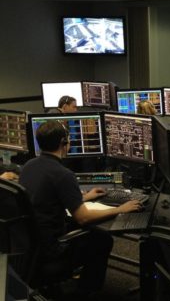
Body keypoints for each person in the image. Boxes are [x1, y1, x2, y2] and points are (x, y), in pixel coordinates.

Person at [19, 120, 142, 297]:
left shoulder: (29, 166)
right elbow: (83, 218)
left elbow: (48, 197)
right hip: (52, 250)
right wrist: (120, 208)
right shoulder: (63, 174)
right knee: (102, 239)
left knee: (91, 233)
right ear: (64, 143)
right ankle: (87, 292)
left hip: (30, 245)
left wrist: (84, 197)